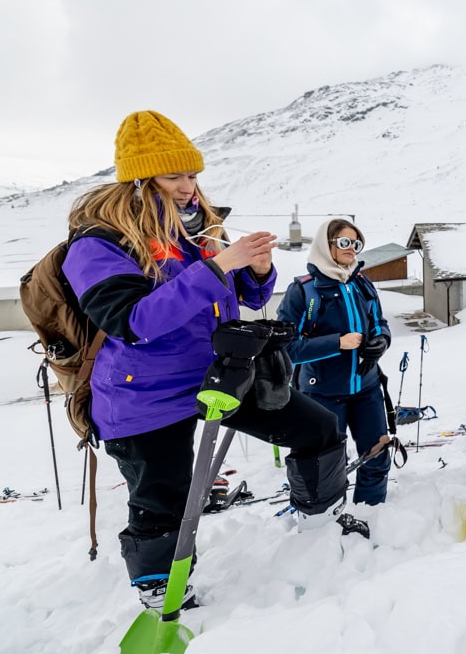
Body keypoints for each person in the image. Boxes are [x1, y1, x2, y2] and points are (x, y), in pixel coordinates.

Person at [61, 111, 366, 610]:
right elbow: (133, 320)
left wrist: (257, 273)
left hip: (220, 372)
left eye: (192, 175)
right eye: (174, 177)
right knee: (164, 496)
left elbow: (240, 297)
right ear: (139, 181)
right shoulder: (99, 242)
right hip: (145, 391)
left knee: (317, 428)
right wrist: (221, 264)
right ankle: (161, 590)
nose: (188, 188)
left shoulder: (200, 227)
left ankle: (319, 524)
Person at [277, 219, 393, 505]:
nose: (351, 248)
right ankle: (326, 522)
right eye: (344, 242)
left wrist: (381, 341)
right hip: (321, 394)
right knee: (324, 467)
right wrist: (337, 343)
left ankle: (371, 511)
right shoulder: (304, 291)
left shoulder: (362, 283)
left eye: (356, 243)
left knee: (377, 455)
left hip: (366, 387)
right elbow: (286, 349)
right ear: (325, 244)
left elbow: (379, 323)